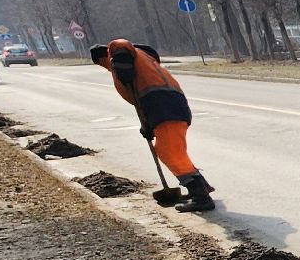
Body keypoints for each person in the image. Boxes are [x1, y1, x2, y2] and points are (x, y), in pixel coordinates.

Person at [90, 39, 215, 212]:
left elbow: (120, 45)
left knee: (168, 152)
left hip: (164, 105)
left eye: (102, 64)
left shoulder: (119, 52)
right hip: (165, 105)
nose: (106, 67)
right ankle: (200, 188)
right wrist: (147, 125)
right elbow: (140, 94)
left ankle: (201, 197)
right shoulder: (140, 58)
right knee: (174, 151)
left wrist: (120, 64)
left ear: (103, 58)